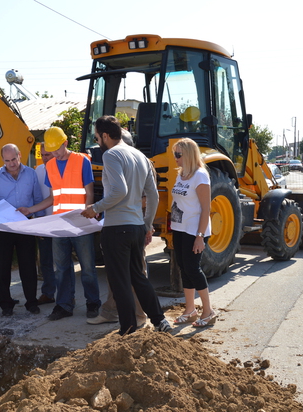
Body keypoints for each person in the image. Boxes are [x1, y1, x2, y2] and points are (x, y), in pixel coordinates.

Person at [81, 115, 171, 335]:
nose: (97, 143)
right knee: (139, 278)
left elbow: (119, 191)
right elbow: (153, 195)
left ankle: (128, 329)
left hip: (116, 228)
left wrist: (96, 208)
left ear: (104, 135)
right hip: (136, 227)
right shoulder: (141, 156)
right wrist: (147, 224)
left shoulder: (111, 155)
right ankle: (160, 321)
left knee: (119, 281)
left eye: (97, 138)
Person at [21, 127, 101, 321]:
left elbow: (89, 192)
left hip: (80, 222)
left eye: (56, 149)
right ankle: (64, 304)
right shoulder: (50, 166)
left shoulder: (82, 161)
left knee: (88, 267)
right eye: (51, 150)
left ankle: (93, 303)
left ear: (65, 143)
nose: (53, 154)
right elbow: (52, 198)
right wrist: (30, 210)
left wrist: (89, 213)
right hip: (60, 223)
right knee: (62, 267)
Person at [87, 129, 148, 326]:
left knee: (135, 275)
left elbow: (148, 197)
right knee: (115, 274)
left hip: (132, 225)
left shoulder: (141, 163)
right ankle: (111, 311)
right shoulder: (114, 162)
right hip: (115, 225)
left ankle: (139, 316)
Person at [0, 144, 42, 316]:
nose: (11, 164)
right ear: (2, 160)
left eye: (14, 159)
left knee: (28, 266)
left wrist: (40, 224)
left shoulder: (31, 174)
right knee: (2, 266)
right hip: (2, 228)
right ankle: (6, 305)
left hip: (25, 225)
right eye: (7, 161)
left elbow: (38, 199)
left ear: (19, 155)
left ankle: (32, 303)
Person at [169, 138, 217, 327]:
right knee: (184, 268)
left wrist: (200, 237)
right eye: (175, 154)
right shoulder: (181, 174)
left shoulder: (200, 176)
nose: (175, 158)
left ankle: (208, 311)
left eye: (178, 155)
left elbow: (206, 209)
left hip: (194, 230)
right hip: (179, 228)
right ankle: (190, 310)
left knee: (193, 269)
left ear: (188, 155)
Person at [34, 144, 56, 305]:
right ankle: (48, 293)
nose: (45, 158)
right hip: (44, 222)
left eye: (48, 154)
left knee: (64, 263)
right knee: (46, 261)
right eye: (42, 155)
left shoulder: (63, 169)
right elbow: (37, 196)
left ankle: (66, 296)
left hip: (61, 222)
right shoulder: (38, 171)